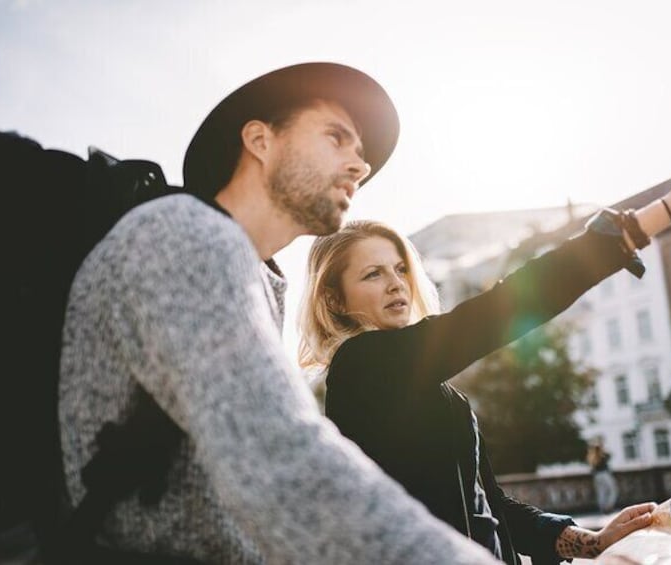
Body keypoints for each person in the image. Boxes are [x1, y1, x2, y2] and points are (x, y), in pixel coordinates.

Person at [59, 63, 505, 564]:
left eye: (362, 155)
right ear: (260, 140)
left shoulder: (252, 274)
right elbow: (279, 459)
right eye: (337, 138)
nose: (360, 166)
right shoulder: (182, 236)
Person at [298, 124, 671, 564]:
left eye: (400, 268)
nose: (396, 284)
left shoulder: (432, 389)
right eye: (372, 274)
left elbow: (491, 507)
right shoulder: (361, 365)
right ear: (336, 298)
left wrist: (591, 541)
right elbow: (497, 312)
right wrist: (662, 213)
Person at [587, 441, 619, 514]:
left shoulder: (592, 456)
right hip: (604, 474)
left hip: (596, 476)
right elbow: (610, 455)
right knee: (613, 490)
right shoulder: (602, 455)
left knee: (601, 492)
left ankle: (602, 508)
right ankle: (609, 507)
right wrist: (604, 449)